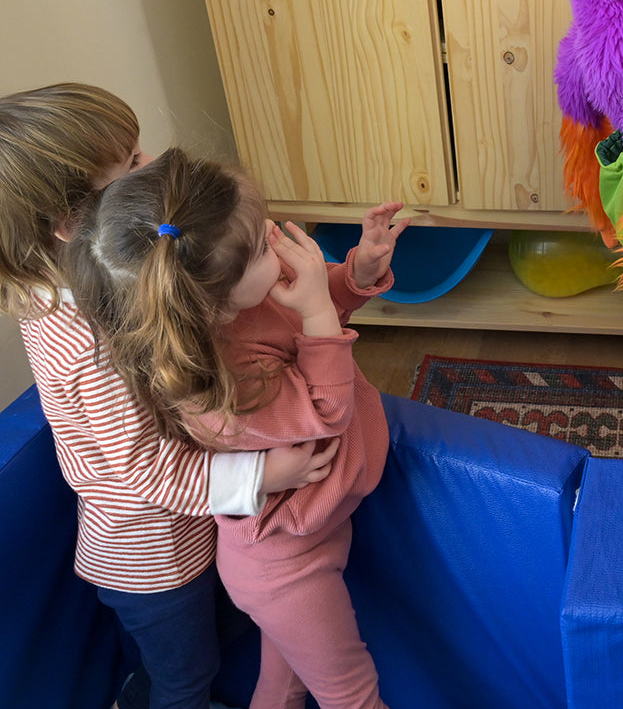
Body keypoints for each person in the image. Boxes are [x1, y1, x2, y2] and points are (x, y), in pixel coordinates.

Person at [0, 83, 336, 709]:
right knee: (184, 676)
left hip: (195, 530)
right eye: (130, 166)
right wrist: (262, 473)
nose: (150, 165)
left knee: (225, 627)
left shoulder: (115, 285)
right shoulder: (83, 343)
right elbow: (142, 471)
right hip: (152, 559)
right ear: (73, 223)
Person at [64, 146, 406, 709]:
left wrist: (355, 276)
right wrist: (318, 307)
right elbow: (326, 409)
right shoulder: (213, 385)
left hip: (314, 527)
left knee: (282, 682)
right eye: (259, 245)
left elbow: (312, 315)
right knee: (352, 691)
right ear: (214, 305)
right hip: (284, 566)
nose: (276, 238)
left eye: (264, 223)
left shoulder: (243, 290)